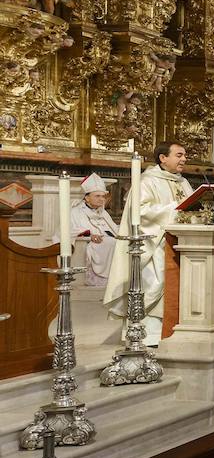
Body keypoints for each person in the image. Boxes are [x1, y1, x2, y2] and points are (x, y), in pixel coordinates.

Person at [103, 142, 193, 346]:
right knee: (153, 285)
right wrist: (175, 209)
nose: (184, 159)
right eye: (179, 155)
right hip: (155, 246)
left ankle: (171, 328)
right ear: (163, 158)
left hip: (180, 244)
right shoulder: (147, 181)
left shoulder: (183, 182)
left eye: (184, 155)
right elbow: (141, 212)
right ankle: (147, 334)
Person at [65, 174, 118, 287]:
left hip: (105, 242)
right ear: (86, 197)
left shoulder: (103, 212)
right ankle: (102, 281)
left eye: (103, 196)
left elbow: (114, 229)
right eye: (97, 196)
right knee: (112, 243)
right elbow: (70, 230)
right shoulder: (76, 211)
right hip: (90, 244)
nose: (101, 199)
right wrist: (90, 236)